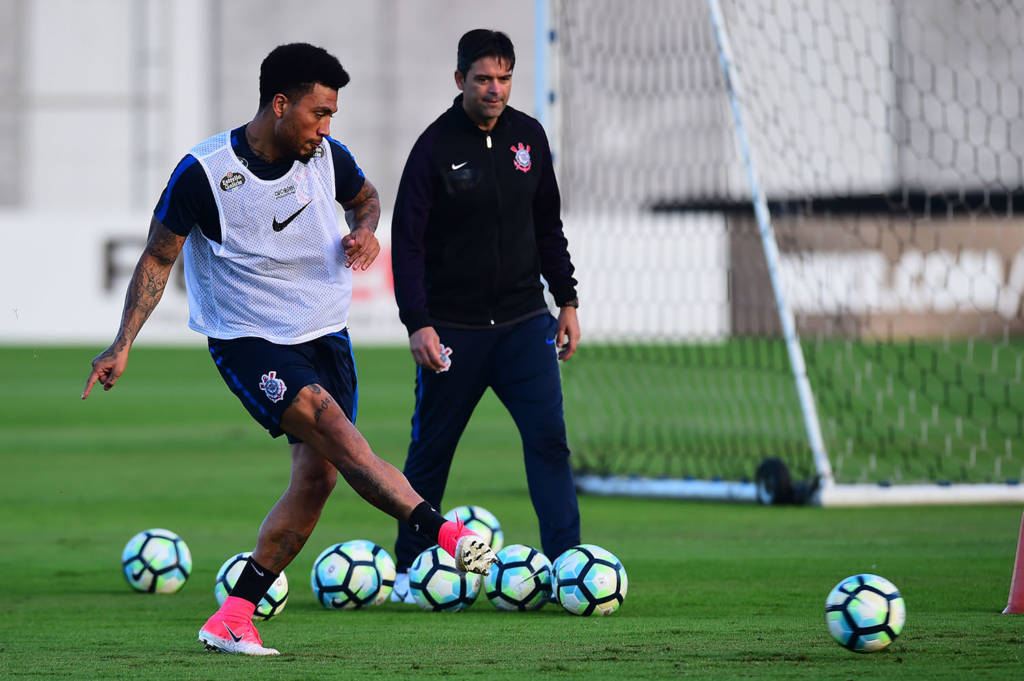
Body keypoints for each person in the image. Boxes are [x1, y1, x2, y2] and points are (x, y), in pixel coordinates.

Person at [81, 43, 496, 656]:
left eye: (332, 115)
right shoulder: (205, 173)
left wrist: (364, 230)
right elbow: (158, 258)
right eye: (318, 113)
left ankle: (233, 616)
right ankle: (446, 533)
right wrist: (122, 344)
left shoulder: (328, 156)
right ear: (280, 104)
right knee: (337, 432)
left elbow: (366, 196)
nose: (326, 128)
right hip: (249, 340)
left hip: (325, 333)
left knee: (317, 481)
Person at [389, 29, 581, 602]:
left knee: (550, 445)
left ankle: (566, 568)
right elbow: (407, 244)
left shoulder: (529, 137)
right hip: (454, 332)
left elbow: (548, 227)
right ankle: (410, 570)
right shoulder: (433, 146)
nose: (494, 89)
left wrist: (567, 301)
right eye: (483, 79)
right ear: (460, 80)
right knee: (431, 453)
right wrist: (418, 322)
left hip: (525, 325)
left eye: (504, 78)